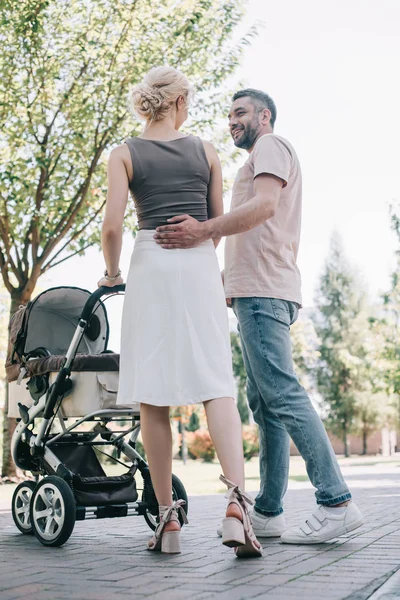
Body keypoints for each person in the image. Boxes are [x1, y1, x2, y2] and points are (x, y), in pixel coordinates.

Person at [154, 88, 364, 544]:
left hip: (266, 290)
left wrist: (205, 229)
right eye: (229, 114)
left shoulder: (271, 145)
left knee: (281, 393)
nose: (232, 121)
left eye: (241, 112)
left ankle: (336, 502)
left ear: (264, 116)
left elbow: (266, 206)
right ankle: (268, 511)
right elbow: (256, 225)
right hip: (256, 291)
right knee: (265, 404)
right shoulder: (258, 157)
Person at [98, 67, 261, 557]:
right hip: (196, 265)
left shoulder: (123, 154)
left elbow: (111, 228)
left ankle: (168, 524)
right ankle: (236, 507)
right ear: (182, 100)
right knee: (216, 384)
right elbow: (214, 226)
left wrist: (110, 272)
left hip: (150, 264)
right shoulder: (206, 152)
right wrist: (200, 244)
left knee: (152, 394)